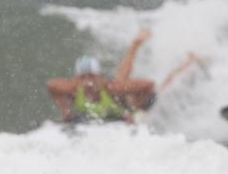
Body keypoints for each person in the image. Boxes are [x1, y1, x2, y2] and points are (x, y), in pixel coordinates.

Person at [46, 29, 201, 123]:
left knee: (162, 88)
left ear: (99, 76)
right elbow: (51, 86)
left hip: (136, 102)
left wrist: (137, 110)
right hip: (116, 97)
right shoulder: (73, 89)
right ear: (76, 79)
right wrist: (66, 111)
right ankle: (135, 44)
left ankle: (189, 63)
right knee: (120, 78)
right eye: (83, 78)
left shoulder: (112, 89)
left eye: (92, 77)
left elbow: (148, 84)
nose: (88, 82)